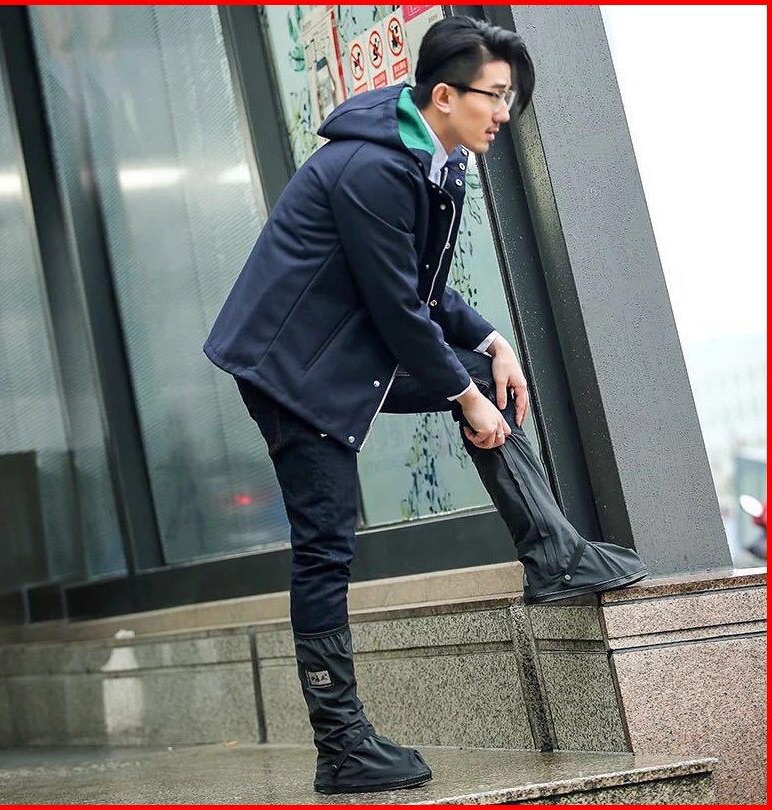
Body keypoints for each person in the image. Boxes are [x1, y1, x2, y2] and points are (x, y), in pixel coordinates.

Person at [204, 15, 647, 795]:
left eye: (510, 96)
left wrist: (492, 342)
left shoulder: (443, 157)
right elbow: (397, 310)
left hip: (349, 349)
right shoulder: (373, 170)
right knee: (325, 545)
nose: (504, 112)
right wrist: (467, 397)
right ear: (445, 95)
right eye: (494, 96)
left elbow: (426, 290)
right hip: (292, 370)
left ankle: (553, 555)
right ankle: (341, 743)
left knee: (486, 376)